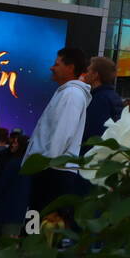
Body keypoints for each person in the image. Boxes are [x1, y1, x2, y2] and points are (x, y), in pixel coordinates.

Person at [24, 46, 91, 217]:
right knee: (35, 225)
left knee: (41, 229)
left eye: (57, 64)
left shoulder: (72, 95)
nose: (51, 67)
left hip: (53, 174)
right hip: (51, 172)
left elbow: (61, 135)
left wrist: (44, 164)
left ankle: (32, 242)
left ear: (70, 67)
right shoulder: (67, 93)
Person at [81, 56, 125, 149]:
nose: (85, 74)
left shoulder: (100, 98)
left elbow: (92, 134)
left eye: (88, 71)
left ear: (95, 75)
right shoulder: (111, 95)